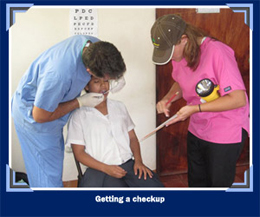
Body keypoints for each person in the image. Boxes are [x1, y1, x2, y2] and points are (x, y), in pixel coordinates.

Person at [11, 35, 126, 187]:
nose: (105, 85)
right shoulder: (59, 74)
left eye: (108, 81)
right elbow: (40, 115)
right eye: (100, 80)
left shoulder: (94, 46)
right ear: (89, 70)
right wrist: (79, 102)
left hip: (50, 108)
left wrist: (118, 76)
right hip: (34, 118)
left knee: (54, 164)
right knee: (47, 177)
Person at [150, 14, 249, 187]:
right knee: (197, 183)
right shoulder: (180, 55)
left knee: (217, 185)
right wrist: (168, 98)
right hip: (198, 128)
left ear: (184, 39)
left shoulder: (217, 52)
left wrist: (195, 109)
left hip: (225, 130)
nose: (170, 57)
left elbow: (238, 99)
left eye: (170, 51)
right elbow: (181, 81)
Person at [66, 75, 164, 187]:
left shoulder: (119, 106)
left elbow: (132, 138)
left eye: (106, 81)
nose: (103, 85)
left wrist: (138, 161)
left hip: (128, 165)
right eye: (97, 82)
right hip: (99, 169)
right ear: (87, 86)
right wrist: (106, 168)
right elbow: (79, 153)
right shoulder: (79, 115)